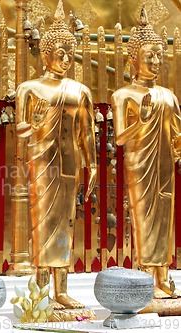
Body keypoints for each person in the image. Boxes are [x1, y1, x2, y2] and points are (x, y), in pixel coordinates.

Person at [14, 0, 97, 309]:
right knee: (42, 223)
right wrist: (32, 125)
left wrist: (92, 166)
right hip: (41, 164)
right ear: (45, 54)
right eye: (59, 52)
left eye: (69, 53)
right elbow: (20, 131)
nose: (65, 58)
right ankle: (40, 290)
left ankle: (62, 289)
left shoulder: (79, 91)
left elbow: (86, 133)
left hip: (69, 163)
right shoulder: (29, 88)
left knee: (65, 223)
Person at [111, 6, 181, 298]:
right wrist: (140, 122)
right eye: (148, 55)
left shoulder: (168, 96)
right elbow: (119, 138)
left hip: (164, 165)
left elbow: (177, 135)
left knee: (165, 220)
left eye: (158, 55)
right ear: (132, 59)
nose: (154, 61)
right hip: (139, 165)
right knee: (142, 218)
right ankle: (144, 276)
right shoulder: (123, 95)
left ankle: (163, 276)